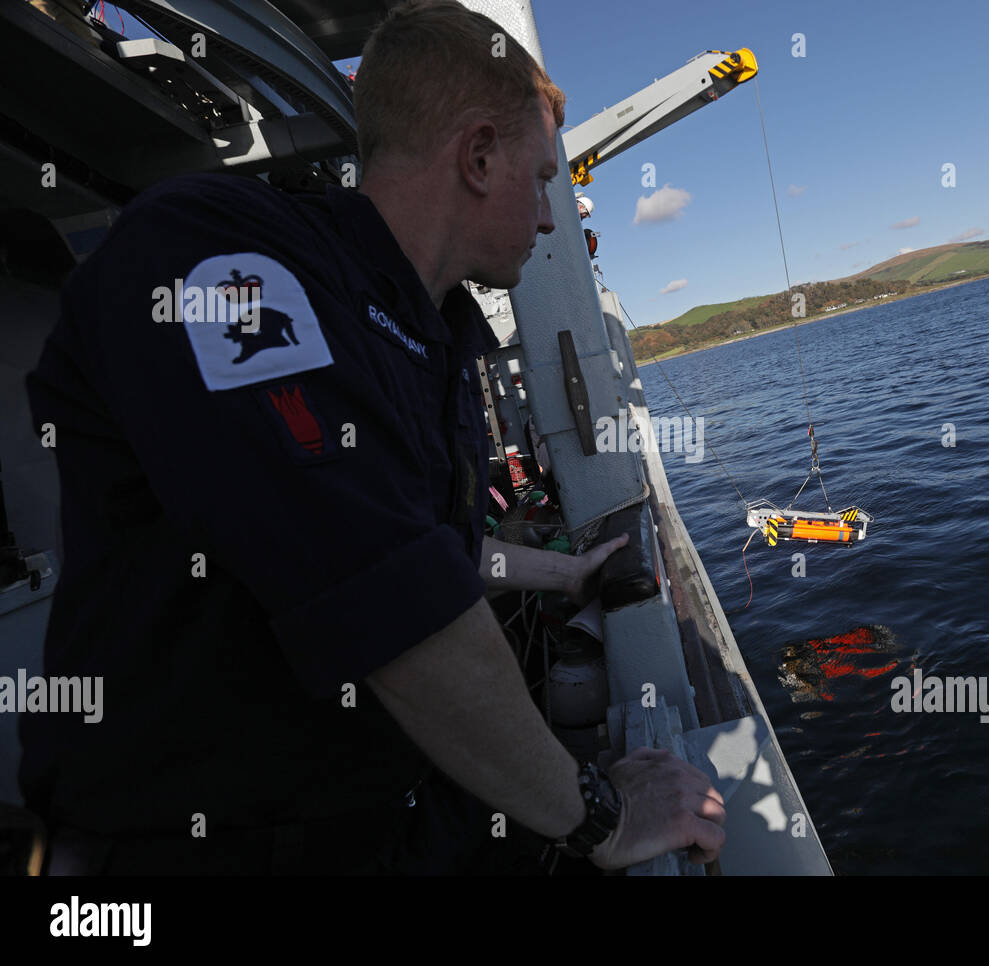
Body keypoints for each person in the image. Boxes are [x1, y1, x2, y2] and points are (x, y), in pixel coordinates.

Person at [22, 0, 724, 874]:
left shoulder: (432, 333)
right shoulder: (213, 254)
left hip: (387, 818)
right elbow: (385, 598)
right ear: (476, 156)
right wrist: (604, 817)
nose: (551, 217)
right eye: (543, 179)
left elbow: (425, 548)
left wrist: (565, 572)